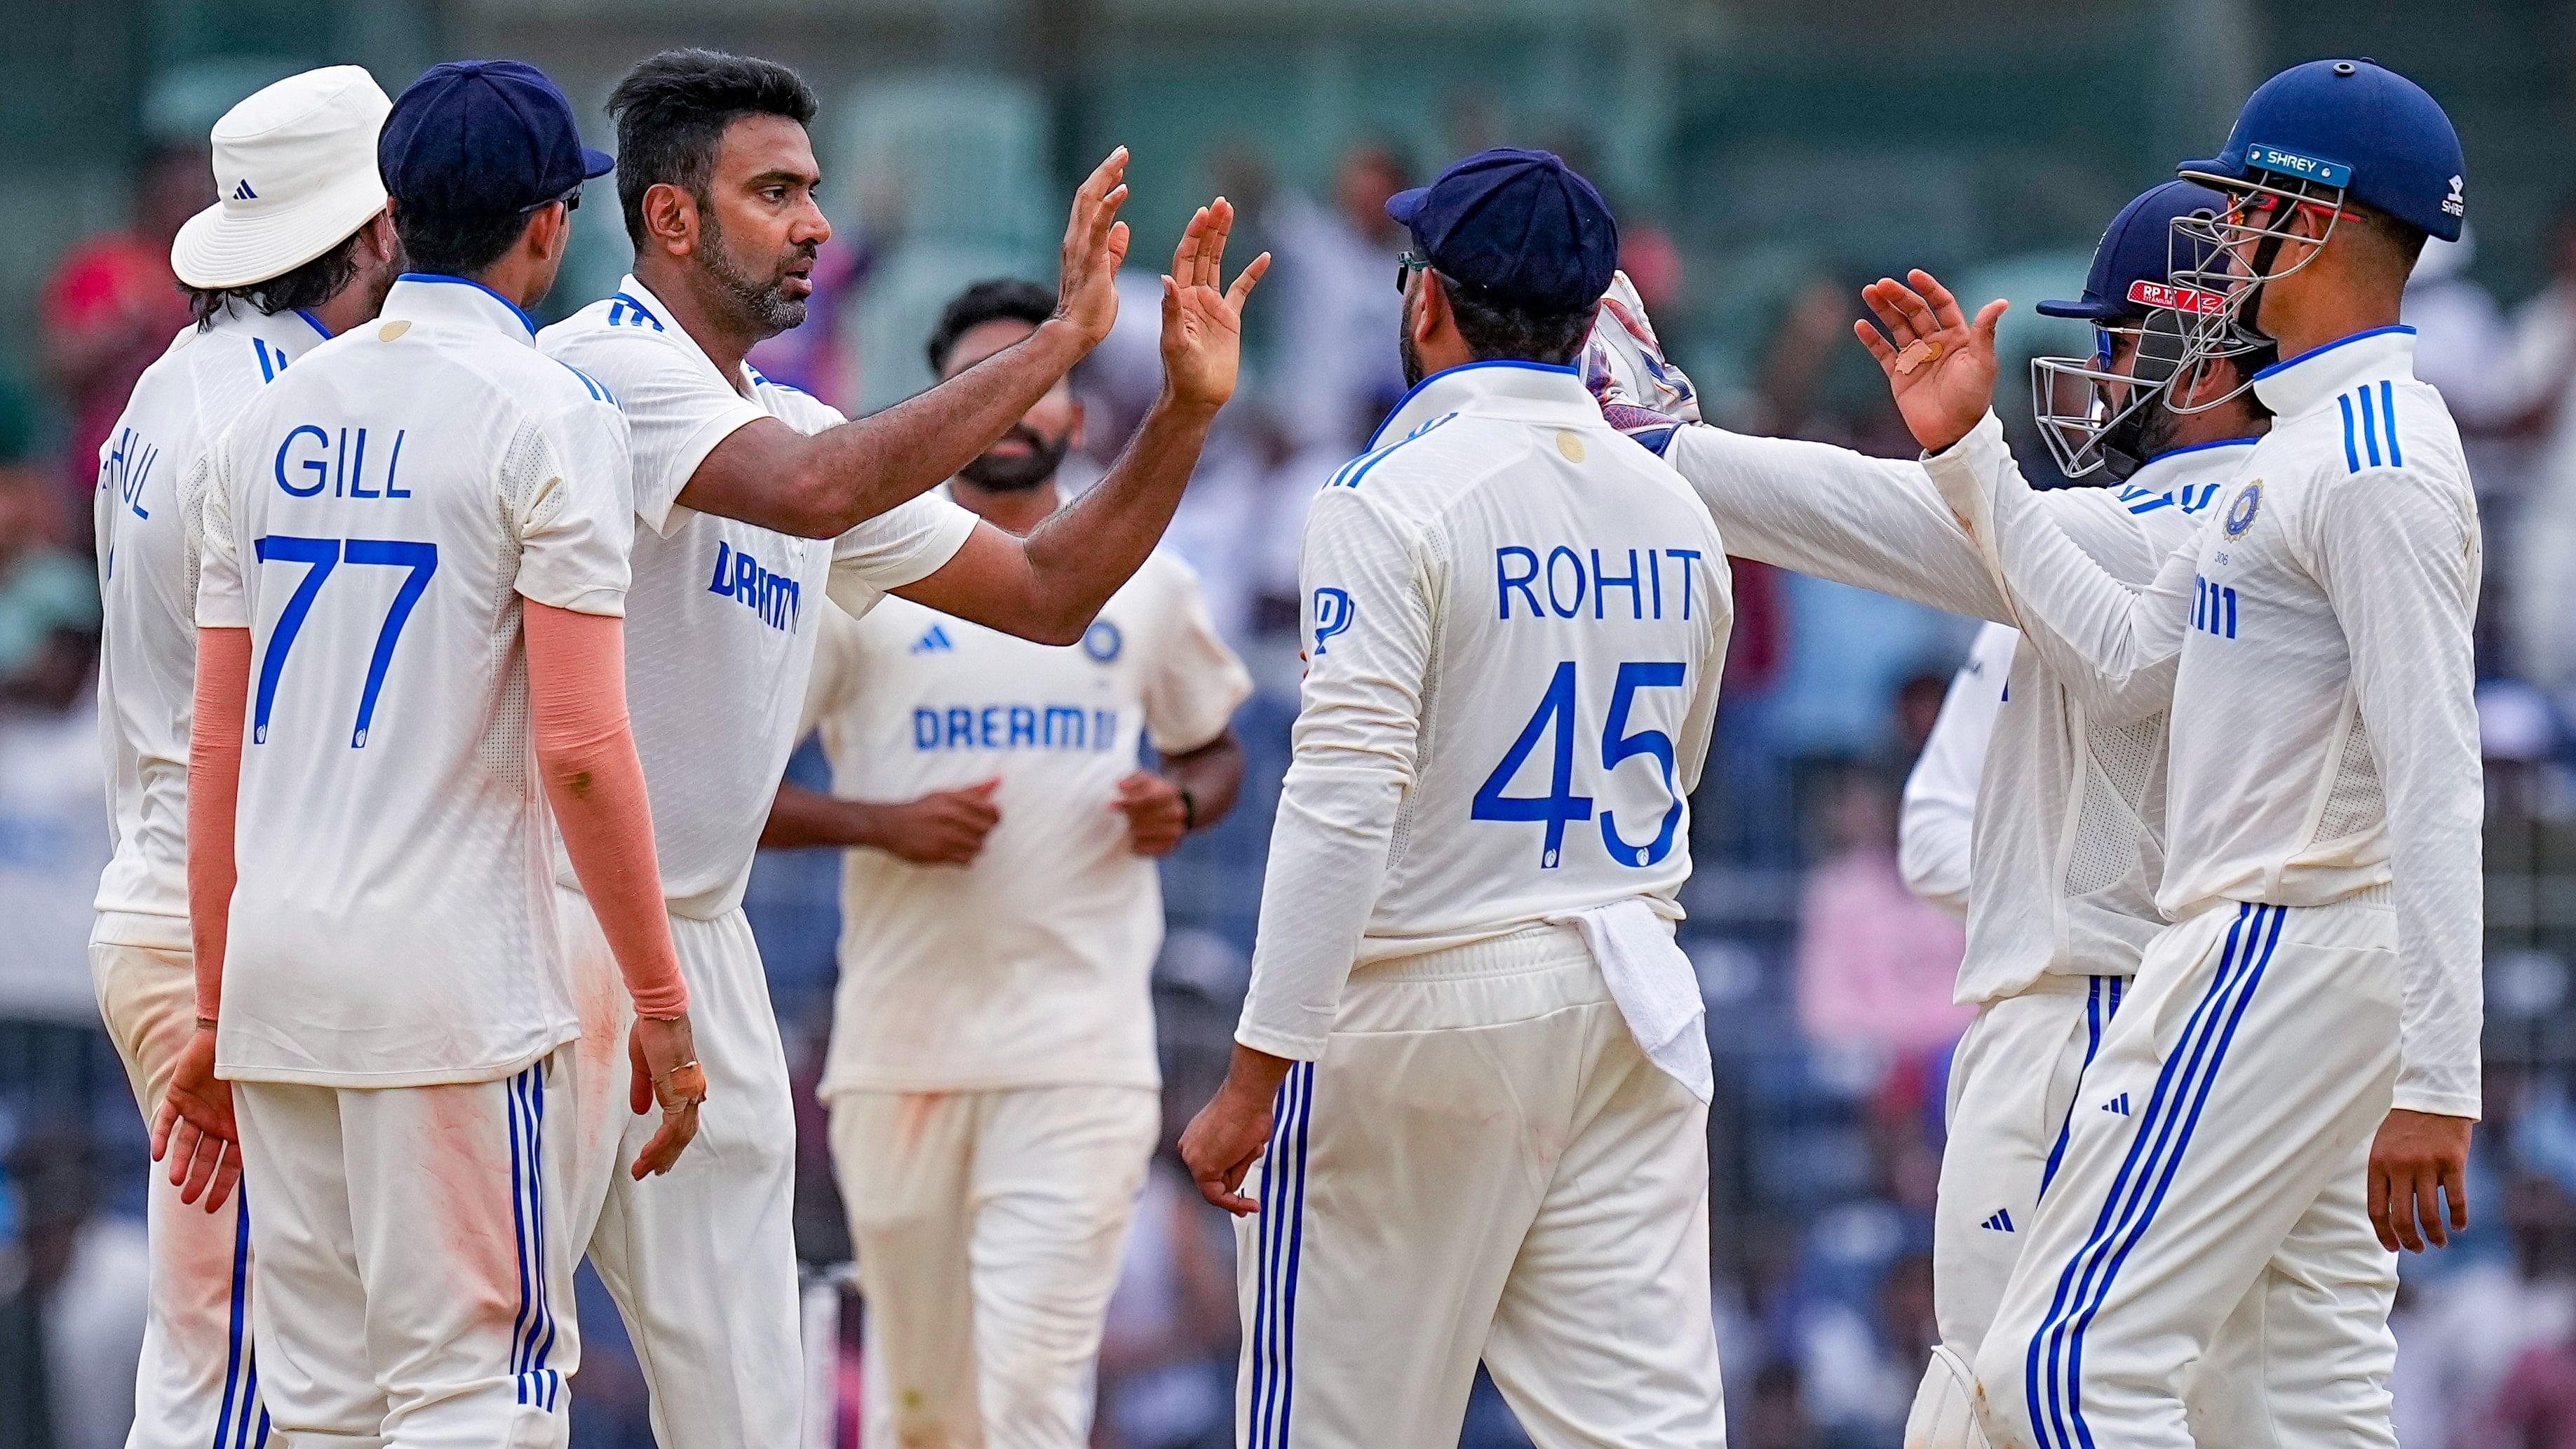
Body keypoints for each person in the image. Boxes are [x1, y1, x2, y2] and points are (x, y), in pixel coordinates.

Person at [535, 48, 1263, 1449]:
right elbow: (813, 493)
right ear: (672, 220)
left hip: (707, 951)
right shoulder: (593, 374)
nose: (816, 224)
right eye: (777, 194)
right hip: (539, 928)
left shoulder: (797, 424)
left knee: (754, 1410)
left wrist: (1178, 414)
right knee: (490, 1380)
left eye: (814, 192)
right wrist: (1054, 345)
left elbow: (1048, 594)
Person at [1584, 178, 2277, 1443]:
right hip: (2212, 1017)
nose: (2096, 372)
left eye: (2118, 339)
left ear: (2201, 348)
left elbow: (1876, 518)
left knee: (2008, 1394)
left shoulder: (2159, 531)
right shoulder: (2294, 515)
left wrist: (1655, 441)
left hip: (2097, 1017)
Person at [1854, 58, 2482, 1449]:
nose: (2222, 238)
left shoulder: (2364, 457)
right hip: (2298, 946)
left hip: (2279, 931)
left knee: (2064, 1371)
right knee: (2309, 1406)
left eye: (2242, 205)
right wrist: (1967, 458)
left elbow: (2439, 765)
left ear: (2309, 224)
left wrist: (2440, 1078)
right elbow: (2133, 655)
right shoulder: (2322, 442)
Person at [154, 60, 707, 1446]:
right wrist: (660, 996)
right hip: (452, 993)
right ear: (549, 226)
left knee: (327, 1407)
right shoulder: (549, 412)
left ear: (390, 218)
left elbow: (218, 742)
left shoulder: (267, 417)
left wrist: (220, 1012)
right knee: (481, 1386)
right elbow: (580, 746)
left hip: (280, 979)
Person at [1178, 147, 1737, 1447]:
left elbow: (1343, 797)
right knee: (1643, 1429)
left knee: (1335, 1422)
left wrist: (1255, 1073)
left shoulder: (1389, 496)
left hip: (1428, 999)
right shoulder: (1675, 506)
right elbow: (1679, 761)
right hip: (1631, 995)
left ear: (1424, 301)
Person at [764, 276, 1251, 1449]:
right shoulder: (864, 576)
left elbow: (1214, 750)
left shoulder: (1147, 577)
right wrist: (882, 825)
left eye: (1048, 385)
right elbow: (728, 790)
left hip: (1076, 1053)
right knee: (918, 1409)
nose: (1022, 411)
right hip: (898, 1056)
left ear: (1079, 416)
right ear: (952, 403)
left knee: (1033, 1396)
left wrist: (1177, 802)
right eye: (997, 381)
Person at [86, 65, 405, 1449]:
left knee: (243, 1363)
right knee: (239, 1374)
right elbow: (279, 731)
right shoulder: (294, 416)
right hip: (238, 934)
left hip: (183, 900)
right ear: (379, 229)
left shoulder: (179, 379)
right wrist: (231, 1000)